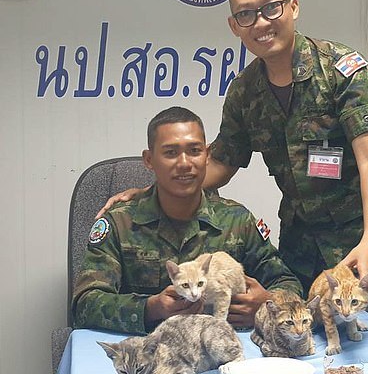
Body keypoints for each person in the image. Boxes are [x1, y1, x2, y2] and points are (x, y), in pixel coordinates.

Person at [100, 0, 368, 339]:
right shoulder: (245, 91)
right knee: (303, 345)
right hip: (303, 249)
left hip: (359, 245)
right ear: (235, 26)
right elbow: (220, 161)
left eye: (272, 7)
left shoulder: (341, 71)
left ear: (293, 7)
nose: (262, 22)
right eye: (247, 15)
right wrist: (154, 191)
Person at [73, 105, 302, 334]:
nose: (184, 163)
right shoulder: (121, 224)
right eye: (170, 153)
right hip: (147, 354)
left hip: (224, 356)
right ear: (149, 160)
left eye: (194, 151)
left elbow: (288, 283)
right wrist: (150, 308)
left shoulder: (236, 221)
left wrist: (268, 304)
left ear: (207, 155)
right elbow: (84, 303)